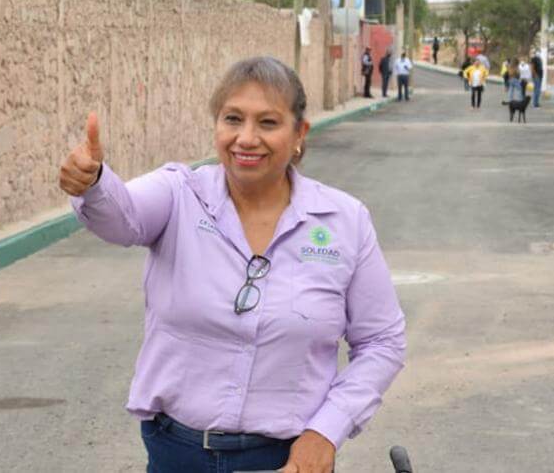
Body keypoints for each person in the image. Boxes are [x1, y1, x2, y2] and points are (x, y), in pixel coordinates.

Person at [58, 57, 406, 473]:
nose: (246, 138)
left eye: (268, 123)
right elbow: (122, 216)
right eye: (233, 119)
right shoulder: (180, 194)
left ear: (300, 133)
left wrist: (326, 432)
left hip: (288, 461)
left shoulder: (344, 221)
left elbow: (382, 342)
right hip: (176, 455)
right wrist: (93, 183)